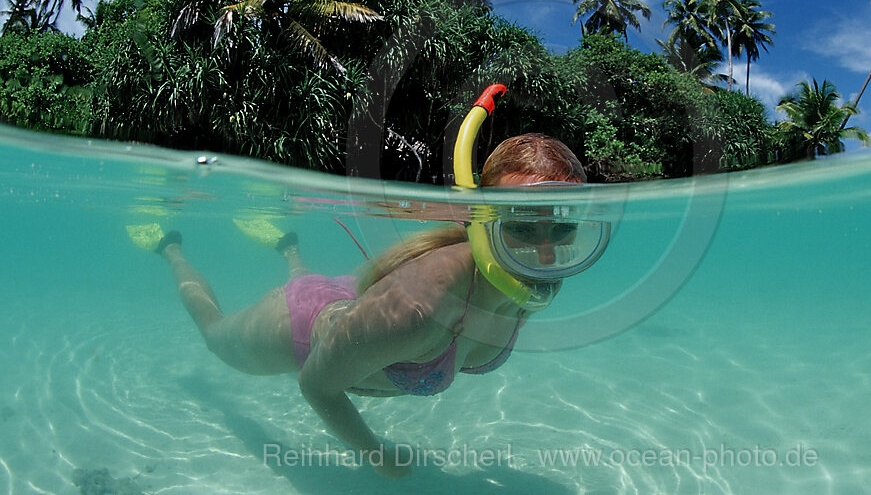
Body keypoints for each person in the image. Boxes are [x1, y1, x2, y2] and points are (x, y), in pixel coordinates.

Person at [135, 131, 607, 479]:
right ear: (481, 223)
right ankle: (170, 247)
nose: (545, 257)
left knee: (315, 288)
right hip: (300, 326)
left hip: (352, 306)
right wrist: (376, 454)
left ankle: (290, 250)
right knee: (216, 336)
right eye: (521, 227)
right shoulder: (418, 309)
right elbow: (316, 384)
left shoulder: (534, 283)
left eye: (562, 228)